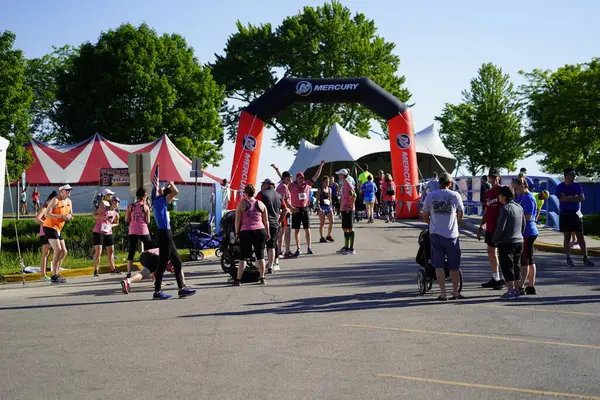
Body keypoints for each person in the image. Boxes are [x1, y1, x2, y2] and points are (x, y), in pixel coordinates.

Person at [422, 173, 464, 301]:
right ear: (449, 183)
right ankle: (455, 292)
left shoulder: (430, 196)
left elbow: (425, 215)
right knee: (454, 266)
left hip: (435, 234)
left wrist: (432, 224)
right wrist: (455, 222)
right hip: (452, 234)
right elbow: (461, 213)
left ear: (438, 183)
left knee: (439, 265)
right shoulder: (455, 195)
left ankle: (443, 293)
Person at [153, 181, 196, 299]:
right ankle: (157, 291)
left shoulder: (156, 200)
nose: (172, 199)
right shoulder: (161, 200)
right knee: (162, 263)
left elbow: (169, 192)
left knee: (177, 262)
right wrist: (171, 183)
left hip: (166, 233)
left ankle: (181, 288)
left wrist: (166, 187)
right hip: (164, 233)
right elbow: (176, 191)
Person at [557, 167, 595, 267]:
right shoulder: (560, 186)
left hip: (576, 214)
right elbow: (562, 199)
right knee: (567, 237)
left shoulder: (577, 186)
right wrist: (574, 197)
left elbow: (582, 198)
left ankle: (585, 258)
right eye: (572, 174)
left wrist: (569, 198)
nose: (574, 176)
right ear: (566, 175)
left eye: (575, 175)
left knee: (580, 236)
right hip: (565, 214)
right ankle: (568, 258)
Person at [492, 186, 525, 300]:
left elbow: (501, 226)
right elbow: (523, 225)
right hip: (519, 240)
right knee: (516, 265)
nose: (498, 196)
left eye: (499, 195)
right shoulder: (519, 207)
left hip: (506, 242)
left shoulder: (505, 209)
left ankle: (510, 290)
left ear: (504, 196)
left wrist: (495, 239)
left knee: (507, 266)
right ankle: (517, 289)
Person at [288, 160, 326, 257]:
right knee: (296, 230)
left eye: (303, 178)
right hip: (296, 209)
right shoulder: (292, 185)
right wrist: (277, 170)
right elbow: (284, 179)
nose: (302, 180)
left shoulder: (307, 184)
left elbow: (316, 176)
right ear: (296, 179)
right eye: (300, 178)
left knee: (307, 229)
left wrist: (321, 165)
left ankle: (309, 247)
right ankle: (298, 248)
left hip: (305, 209)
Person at [234, 184, 270, 285]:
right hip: (260, 230)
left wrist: (237, 232)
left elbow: (237, 221)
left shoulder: (242, 204)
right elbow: (266, 220)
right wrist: (268, 232)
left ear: (245, 193)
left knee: (243, 257)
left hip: (246, 231)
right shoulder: (261, 204)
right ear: (254, 193)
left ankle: (238, 279)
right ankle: (262, 277)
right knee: (260, 256)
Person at [477, 168, 506, 290]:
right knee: (491, 251)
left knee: (504, 253)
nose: (492, 179)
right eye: (490, 177)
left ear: (499, 177)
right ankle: (496, 277)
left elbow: (509, 207)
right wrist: (481, 226)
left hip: (502, 227)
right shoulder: (488, 194)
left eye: (494, 177)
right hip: (490, 227)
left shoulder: (503, 190)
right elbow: (487, 211)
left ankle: (506, 278)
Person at [43, 184, 74, 284]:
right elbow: (47, 214)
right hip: (50, 226)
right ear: (61, 191)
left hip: (58, 228)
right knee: (58, 249)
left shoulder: (69, 201)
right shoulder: (56, 200)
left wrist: (69, 217)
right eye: (67, 190)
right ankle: (54, 275)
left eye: (70, 190)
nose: (69, 192)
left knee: (64, 251)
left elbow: (70, 214)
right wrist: (61, 216)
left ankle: (56, 270)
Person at [121, 248, 187, 294]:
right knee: (144, 274)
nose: (172, 271)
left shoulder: (165, 253)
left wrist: (156, 282)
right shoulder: (174, 258)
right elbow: (180, 270)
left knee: (145, 272)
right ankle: (128, 281)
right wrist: (183, 285)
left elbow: (155, 272)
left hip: (143, 256)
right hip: (154, 256)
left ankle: (128, 281)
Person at [256, 178, 287, 274]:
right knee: (272, 246)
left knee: (260, 246)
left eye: (263, 184)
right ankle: (270, 266)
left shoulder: (261, 194)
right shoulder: (278, 195)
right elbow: (285, 209)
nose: (262, 186)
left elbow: (255, 206)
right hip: (275, 224)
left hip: (262, 223)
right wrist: (280, 220)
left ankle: (259, 267)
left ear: (267, 184)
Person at [514, 177, 539, 295]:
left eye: (516, 187)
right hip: (528, 231)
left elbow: (528, 216)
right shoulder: (524, 197)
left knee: (524, 259)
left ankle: (522, 285)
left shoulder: (528, 198)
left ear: (523, 186)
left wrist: (517, 216)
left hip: (528, 231)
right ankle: (531, 285)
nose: (515, 190)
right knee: (529, 259)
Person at [125, 187, 154, 278]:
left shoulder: (131, 206)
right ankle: (149, 270)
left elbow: (127, 219)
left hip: (133, 230)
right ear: (144, 196)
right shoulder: (145, 207)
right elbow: (148, 221)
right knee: (149, 250)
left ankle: (129, 273)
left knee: (131, 252)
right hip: (143, 230)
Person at [92, 196, 121, 276]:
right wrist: (101, 217)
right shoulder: (104, 209)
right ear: (111, 202)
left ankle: (113, 268)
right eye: (114, 201)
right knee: (98, 251)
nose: (116, 203)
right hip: (98, 232)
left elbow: (117, 223)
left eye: (118, 202)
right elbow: (93, 215)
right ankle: (96, 270)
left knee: (111, 251)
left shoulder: (116, 214)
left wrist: (112, 225)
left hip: (108, 232)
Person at [272, 165, 294, 260]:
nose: (290, 179)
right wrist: (292, 208)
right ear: (285, 178)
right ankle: (284, 250)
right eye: (289, 177)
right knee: (285, 232)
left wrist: (277, 169)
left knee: (283, 232)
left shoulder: (283, 185)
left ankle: (281, 250)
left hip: (284, 212)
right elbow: (283, 201)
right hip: (284, 212)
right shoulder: (283, 187)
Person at [35, 191, 57, 282]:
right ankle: (43, 274)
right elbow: (37, 219)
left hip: (49, 232)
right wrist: (46, 224)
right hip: (44, 233)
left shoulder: (49, 208)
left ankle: (49, 273)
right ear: (49, 200)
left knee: (47, 253)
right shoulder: (44, 208)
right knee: (45, 254)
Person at [336, 168, 357, 255]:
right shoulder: (344, 184)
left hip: (348, 209)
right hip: (344, 209)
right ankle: (346, 247)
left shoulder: (348, 184)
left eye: (339, 174)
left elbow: (354, 195)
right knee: (345, 228)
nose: (338, 176)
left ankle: (351, 249)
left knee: (350, 228)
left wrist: (350, 206)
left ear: (343, 175)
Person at [316, 175, 335, 242]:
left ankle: (328, 235)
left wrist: (332, 208)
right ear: (323, 182)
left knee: (332, 221)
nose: (328, 183)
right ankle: (322, 237)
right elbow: (317, 199)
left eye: (328, 181)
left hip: (328, 207)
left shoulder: (330, 189)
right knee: (322, 223)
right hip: (322, 207)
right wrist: (319, 208)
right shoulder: (320, 189)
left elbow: (330, 199)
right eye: (326, 182)